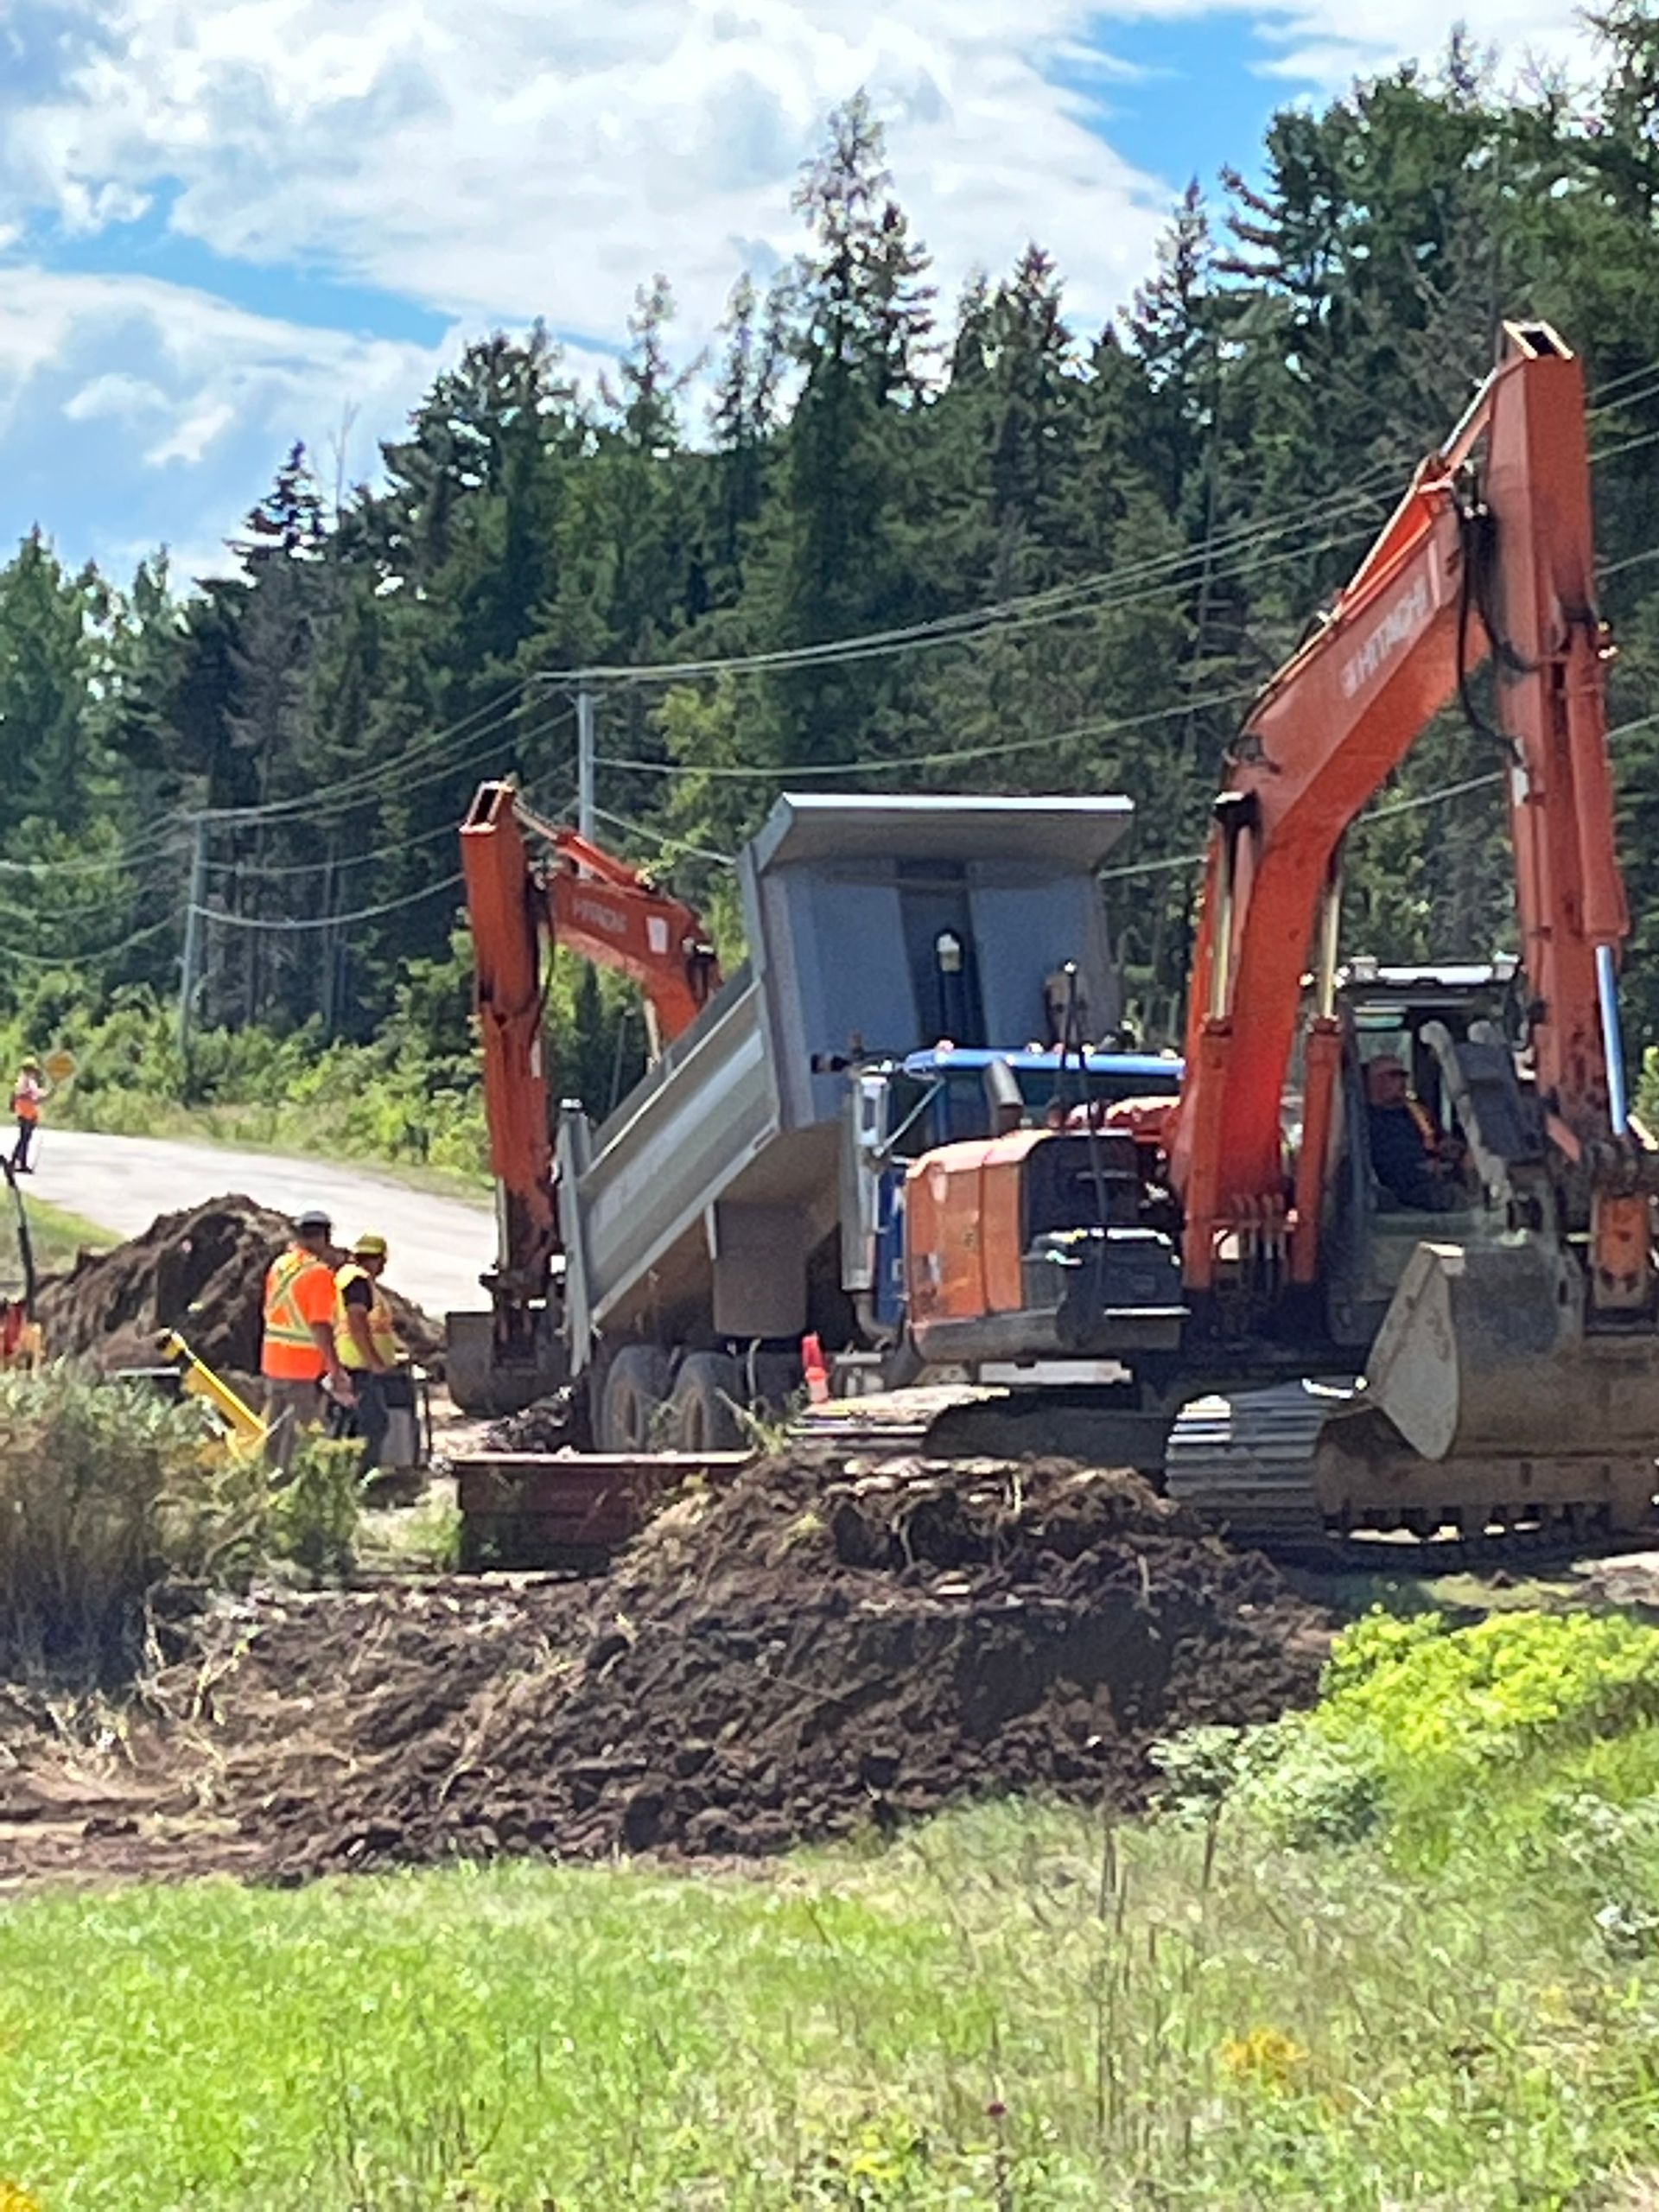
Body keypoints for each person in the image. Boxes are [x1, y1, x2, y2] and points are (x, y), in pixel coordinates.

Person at [260, 1208, 349, 1475]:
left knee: (276, 1427)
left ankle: (265, 1482)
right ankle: (292, 1488)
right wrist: (335, 1369)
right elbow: (319, 1324)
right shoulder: (319, 1274)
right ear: (323, 1237)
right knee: (301, 1433)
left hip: (273, 1360)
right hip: (301, 1366)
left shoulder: (281, 1266)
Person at [334, 1231, 401, 1473]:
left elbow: (374, 1325)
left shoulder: (351, 1278)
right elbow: (357, 1321)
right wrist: (374, 1360)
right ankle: (361, 1480)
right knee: (374, 1423)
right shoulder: (358, 1281)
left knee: (350, 1426)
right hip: (359, 1366)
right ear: (378, 1259)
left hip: (352, 1364)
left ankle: (344, 1477)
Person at [1364, 1056, 1458, 1211]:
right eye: (1393, 1076)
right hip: (1390, 1193)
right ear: (1375, 1081)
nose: (1402, 1082)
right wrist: (1419, 1169)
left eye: (1403, 1076)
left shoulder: (1417, 1113)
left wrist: (1449, 1149)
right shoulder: (1362, 1120)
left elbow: (1438, 1141)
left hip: (1430, 1182)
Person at [9, 1058, 48, 1173]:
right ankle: (18, 1162)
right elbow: (31, 1096)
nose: (34, 1073)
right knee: (24, 1138)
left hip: (27, 1113)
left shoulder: (26, 1082)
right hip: (26, 1114)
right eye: (32, 1070)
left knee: (25, 1138)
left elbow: (20, 1096)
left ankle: (18, 1161)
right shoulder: (25, 1082)